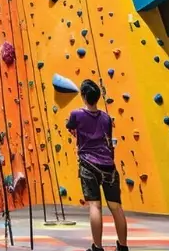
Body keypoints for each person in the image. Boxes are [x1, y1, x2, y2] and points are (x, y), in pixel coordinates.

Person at [66, 79, 128, 251]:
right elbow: (107, 138)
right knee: (116, 207)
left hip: (88, 164)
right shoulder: (106, 117)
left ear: (84, 96)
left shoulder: (76, 114)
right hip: (108, 165)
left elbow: (70, 127)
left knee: (95, 206)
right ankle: (123, 246)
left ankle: (98, 247)